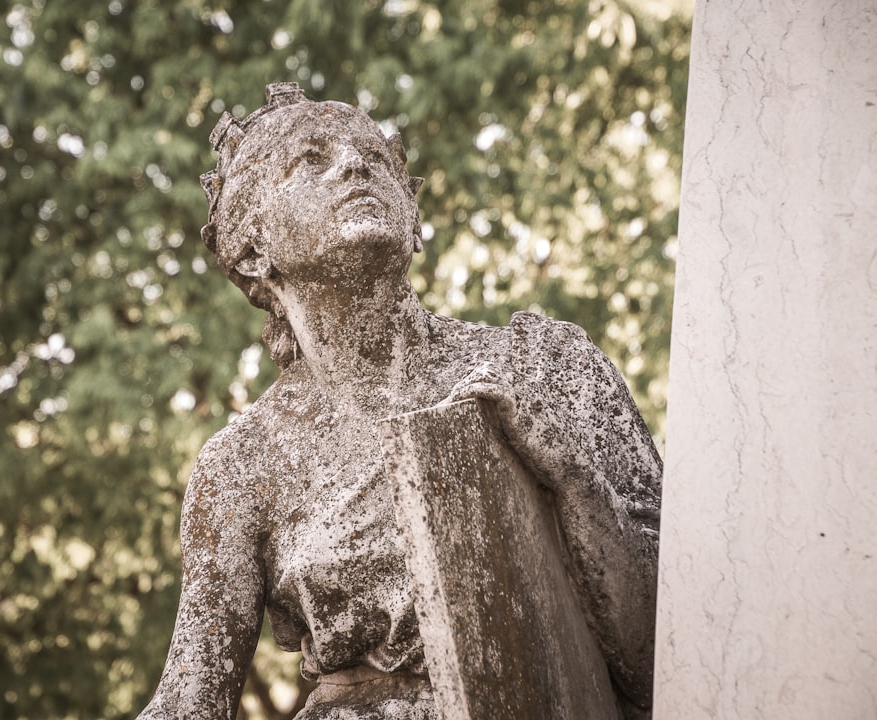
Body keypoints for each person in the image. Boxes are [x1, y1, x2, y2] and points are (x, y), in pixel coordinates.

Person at [136, 83, 661, 720]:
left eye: (374, 158)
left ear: (412, 221)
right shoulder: (241, 468)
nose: (354, 165)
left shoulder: (545, 364)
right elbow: (190, 704)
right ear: (251, 249)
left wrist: (574, 480)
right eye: (310, 161)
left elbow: (673, 656)